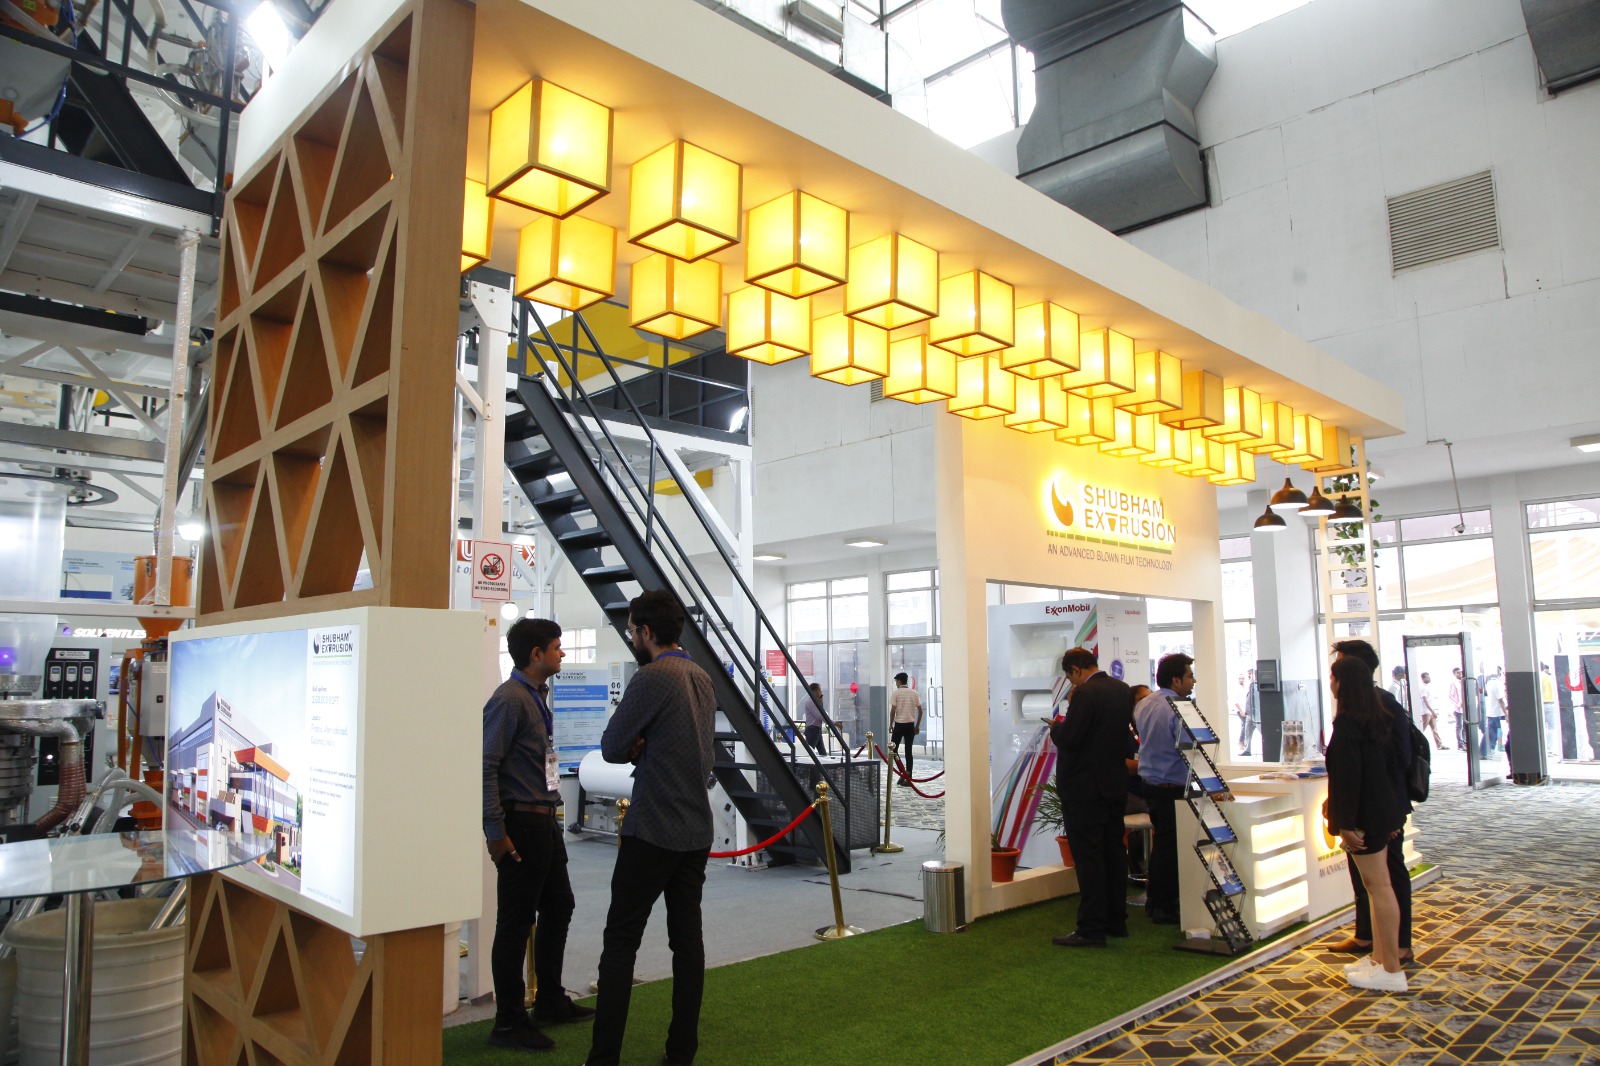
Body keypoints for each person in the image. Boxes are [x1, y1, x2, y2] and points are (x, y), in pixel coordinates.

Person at [585, 590, 718, 1066]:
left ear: (645, 631)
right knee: (688, 943)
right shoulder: (701, 676)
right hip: (695, 828)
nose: (631, 638)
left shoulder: (652, 676)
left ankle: (603, 1058)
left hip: (653, 827)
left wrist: (636, 744)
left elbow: (612, 746)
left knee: (621, 943)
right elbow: (702, 753)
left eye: (631, 631)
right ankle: (681, 1052)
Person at [481, 618, 594, 1052]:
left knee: (559, 905)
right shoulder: (509, 699)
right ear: (536, 654)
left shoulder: (535, 696)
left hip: (543, 821)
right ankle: (509, 1022)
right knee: (515, 922)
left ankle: (548, 1001)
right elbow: (486, 766)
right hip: (521, 824)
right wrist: (495, 831)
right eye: (557, 647)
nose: (562, 653)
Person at [1325, 641, 1412, 990]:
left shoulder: (1349, 724)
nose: (1331, 683)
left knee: (1379, 887)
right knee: (1379, 888)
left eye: (1333, 676)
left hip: (1365, 818)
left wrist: (1344, 825)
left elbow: (1348, 780)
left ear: (1343, 682)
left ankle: (1390, 967)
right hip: (1380, 813)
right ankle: (1382, 959)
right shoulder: (1375, 718)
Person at [1048, 647, 1135, 947]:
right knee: (1114, 852)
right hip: (1114, 785)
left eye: (1070, 677)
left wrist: (1056, 728)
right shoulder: (1122, 689)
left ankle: (1091, 928)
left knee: (1089, 857)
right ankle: (1116, 921)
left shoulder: (1085, 694)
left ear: (1075, 669)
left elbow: (1071, 738)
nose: (1071, 682)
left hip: (1085, 789)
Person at [1132, 654, 1194, 925]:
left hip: (1151, 784)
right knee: (1171, 847)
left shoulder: (1144, 704)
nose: (1193, 681)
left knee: (1164, 845)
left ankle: (1156, 901)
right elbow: (1190, 748)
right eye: (1189, 676)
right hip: (1172, 786)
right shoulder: (1178, 709)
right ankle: (1165, 906)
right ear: (1176, 680)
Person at [888, 672, 923, 786]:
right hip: (910, 725)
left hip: (899, 724)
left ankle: (903, 772)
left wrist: (890, 724)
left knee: (893, 750)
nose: (896, 683)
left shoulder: (896, 693)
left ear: (899, 681)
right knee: (908, 751)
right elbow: (920, 710)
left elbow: (893, 711)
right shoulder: (914, 693)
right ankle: (908, 776)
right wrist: (917, 726)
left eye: (896, 681)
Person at [1484, 666, 1507, 756]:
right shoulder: (1498, 684)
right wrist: (1506, 713)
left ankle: (1490, 748)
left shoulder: (1488, 683)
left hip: (1491, 711)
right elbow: (1500, 700)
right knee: (1498, 731)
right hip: (1498, 712)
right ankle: (1494, 747)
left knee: (1493, 732)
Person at [1239, 669, 1260, 756]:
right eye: (1248, 674)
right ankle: (1247, 750)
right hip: (1249, 713)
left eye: (1250, 674)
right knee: (1247, 731)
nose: (1249, 676)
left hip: (1256, 714)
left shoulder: (1257, 686)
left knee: (1261, 731)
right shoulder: (1250, 685)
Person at [802, 682, 826, 754]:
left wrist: (821, 703)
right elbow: (820, 715)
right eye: (819, 690)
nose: (821, 692)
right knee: (809, 753)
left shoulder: (816, 702)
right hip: (812, 730)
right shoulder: (810, 702)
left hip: (817, 730)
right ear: (814, 691)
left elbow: (821, 713)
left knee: (823, 753)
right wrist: (833, 723)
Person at [1449, 667, 1467, 749]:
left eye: (1460, 672)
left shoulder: (1464, 682)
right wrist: (1458, 704)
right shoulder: (1454, 683)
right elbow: (1451, 696)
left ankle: (1465, 742)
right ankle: (1460, 744)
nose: (1460, 674)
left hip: (1465, 709)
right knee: (1459, 726)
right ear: (1454, 674)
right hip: (1458, 709)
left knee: (1465, 726)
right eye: (1458, 673)